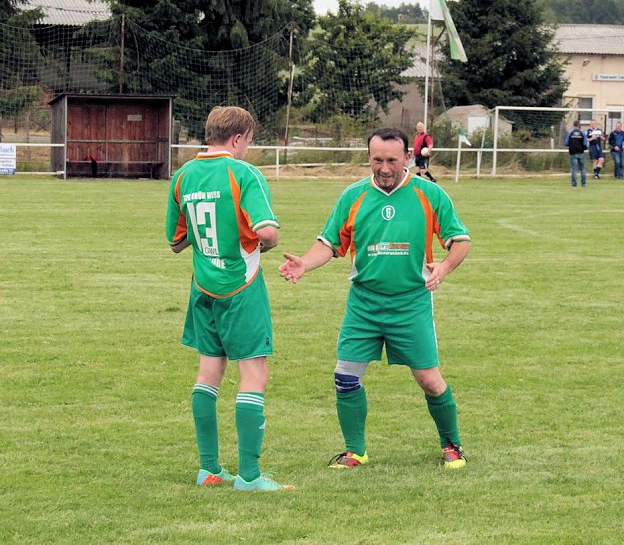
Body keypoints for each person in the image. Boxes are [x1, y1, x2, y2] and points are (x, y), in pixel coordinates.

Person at [279, 127, 471, 470]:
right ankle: (356, 451)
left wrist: (444, 267)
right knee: (345, 377)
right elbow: (329, 243)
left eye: (392, 161)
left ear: (407, 159)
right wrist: (304, 264)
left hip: (410, 303)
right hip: (364, 304)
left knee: (429, 379)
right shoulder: (353, 196)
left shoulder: (429, 194)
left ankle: (451, 444)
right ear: (369, 158)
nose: (384, 167)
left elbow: (461, 240)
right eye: (377, 159)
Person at [165, 106, 292, 492]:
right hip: (242, 285)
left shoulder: (182, 176)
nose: (248, 149)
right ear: (238, 138)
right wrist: (260, 244)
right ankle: (249, 476)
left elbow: (175, 241)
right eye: (249, 142)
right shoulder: (243, 173)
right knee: (254, 374)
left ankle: (209, 469)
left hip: (203, 288)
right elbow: (267, 232)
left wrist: (209, 240)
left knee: (208, 374)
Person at [563, 120, 587, 187]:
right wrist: (583, 148)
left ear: (573, 125)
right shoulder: (582, 133)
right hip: (581, 152)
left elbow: (565, 143)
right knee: (583, 168)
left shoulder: (570, 132)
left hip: (573, 153)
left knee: (574, 169)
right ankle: (583, 184)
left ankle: (574, 184)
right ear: (579, 125)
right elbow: (586, 143)